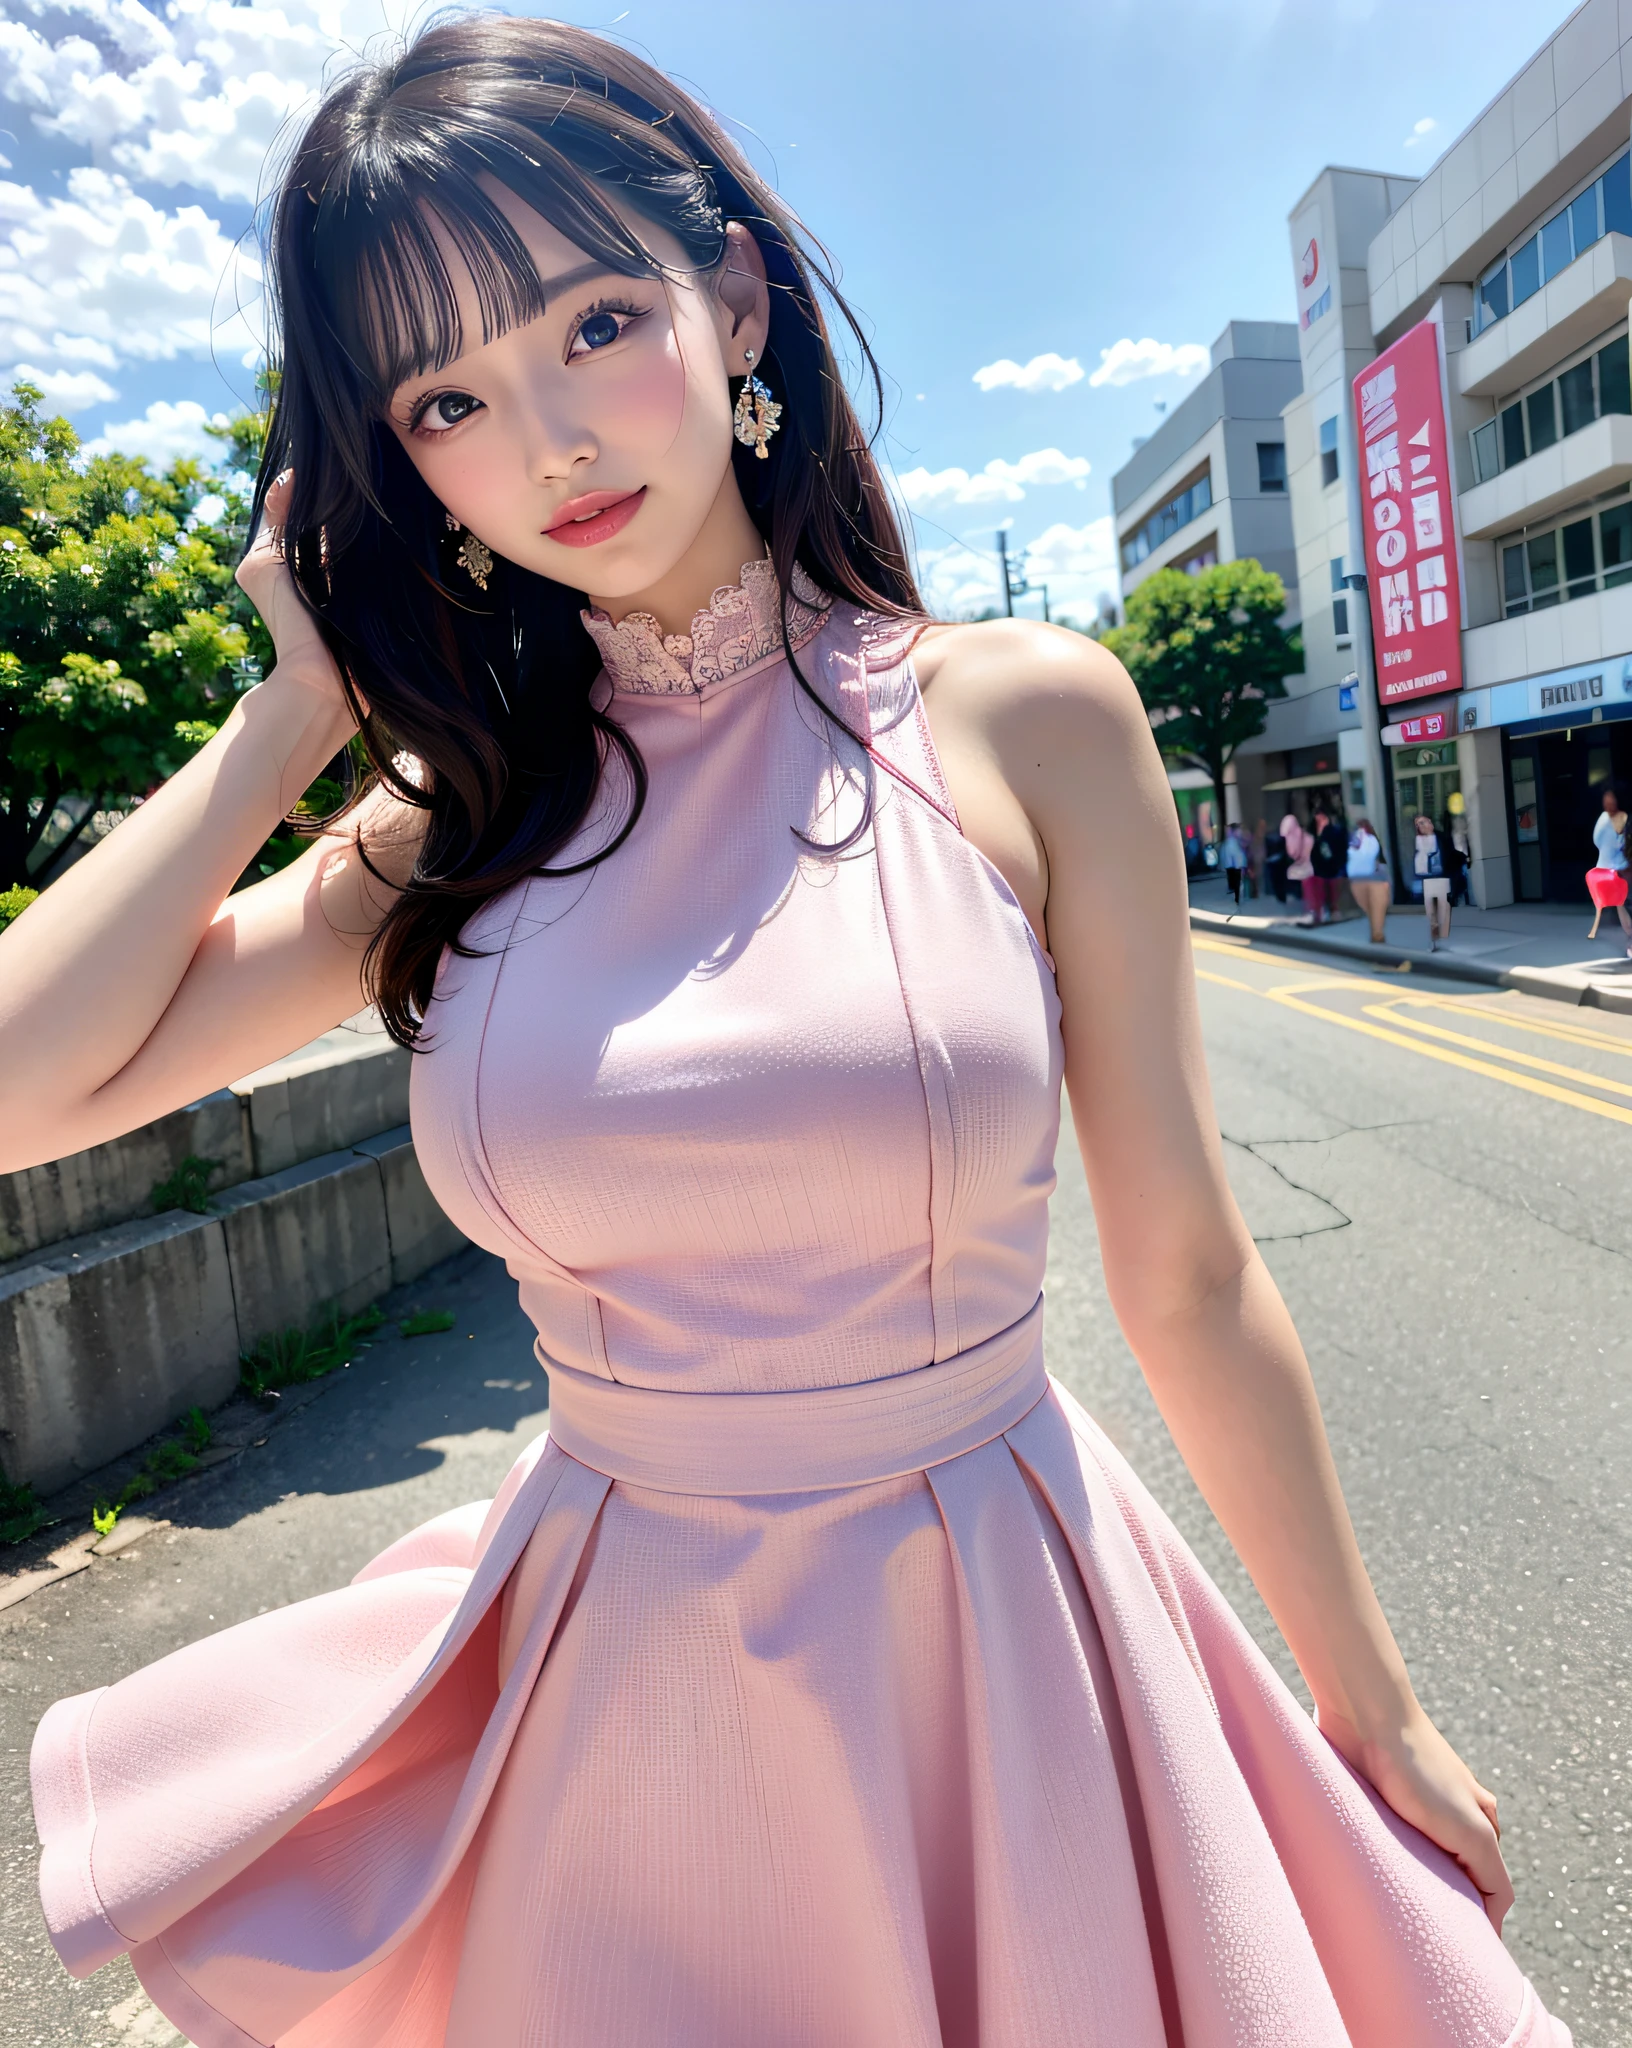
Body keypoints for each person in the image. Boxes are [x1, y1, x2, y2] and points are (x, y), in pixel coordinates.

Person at [2, 19, 1554, 2044]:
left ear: (734, 300)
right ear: (403, 461)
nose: (552, 439)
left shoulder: (1025, 714)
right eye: (450, 395)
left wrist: (1377, 1706)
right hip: (612, 1669)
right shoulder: (461, 817)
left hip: (997, 1630)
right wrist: (284, 720)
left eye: (594, 321)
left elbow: (1186, 1268)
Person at [1591, 784, 1632, 954]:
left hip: (1624, 868)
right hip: (1615, 871)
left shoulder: (1623, 819)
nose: (1608, 804)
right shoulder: (1605, 819)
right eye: (1606, 801)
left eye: (1611, 801)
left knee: (1623, 906)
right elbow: (1601, 843)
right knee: (1622, 906)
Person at [1347, 817, 1390, 943]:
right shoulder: (1366, 840)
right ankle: (1377, 935)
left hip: (1365, 878)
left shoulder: (1361, 841)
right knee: (1375, 910)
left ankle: (1377, 935)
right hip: (1372, 878)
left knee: (1372, 910)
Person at [1414, 812, 1453, 950]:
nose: (1422, 825)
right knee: (1430, 913)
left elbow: (1450, 856)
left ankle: (1442, 940)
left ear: (1430, 822)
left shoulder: (1441, 838)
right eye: (1418, 824)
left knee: (1443, 909)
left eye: (1424, 822)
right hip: (1425, 879)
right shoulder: (1417, 841)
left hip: (1441, 877)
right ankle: (1434, 941)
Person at [1310, 802, 1348, 924]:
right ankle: (1322, 911)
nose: (1319, 820)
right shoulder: (1313, 832)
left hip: (1332, 866)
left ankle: (1334, 910)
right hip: (1320, 867)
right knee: (1320, 890)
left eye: (1321, 817)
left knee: (1333, 889)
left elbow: (1340, 847)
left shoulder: (1333, 831)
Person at [1282, 806, 1316, 920]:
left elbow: (1289, 855)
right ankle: (1308, 912)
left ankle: (1297, 915)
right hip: (1308, 871)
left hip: (1293, 873)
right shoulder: (1309, 838)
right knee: (1307, 895)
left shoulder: (1288, 840)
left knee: (1295, 897)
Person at [1446, 791, 1472, 908]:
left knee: (1462, 881)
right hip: (1458, 860)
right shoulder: (1452, 829)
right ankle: (1456, 898)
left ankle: (1459, 898)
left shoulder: (1461, 829)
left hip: (1462, 859)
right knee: (1459, 881)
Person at [1220, 820, 1249, 903]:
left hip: (1234, 865)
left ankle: (1237, 896)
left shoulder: (1232, 842)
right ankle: (1237, 897)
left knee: (1236, 881)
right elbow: (1236, 855)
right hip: (1236, 865)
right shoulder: (1232, 842)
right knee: (1237, 881)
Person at [1263, 815, 1290, 901]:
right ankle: (1281, 896)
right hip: (1280, 861)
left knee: (1275, 880)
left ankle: (1278, 895)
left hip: (1274, 861)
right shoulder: (1281, 838)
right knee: (1280, 880)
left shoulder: (1269, 838)